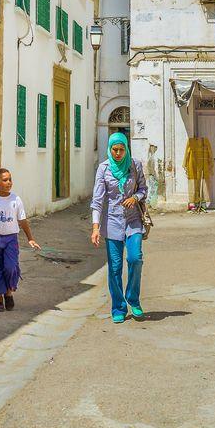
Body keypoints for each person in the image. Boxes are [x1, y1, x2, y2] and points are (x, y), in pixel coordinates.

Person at [91, 132, 148, 323]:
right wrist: (96, 228)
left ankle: (133, 298)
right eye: (114, 150)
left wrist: (135, 197)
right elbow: (97, 200)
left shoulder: (135, 165)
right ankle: (118, 307)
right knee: (115, 268)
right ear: (109, 149)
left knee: (135, 259)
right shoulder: (103, 168)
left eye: (121, 149)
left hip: (133, 221)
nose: (117, 153)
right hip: (112, 222)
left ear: (126, 149)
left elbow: (143, 189)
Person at [0, 167, 40, 312]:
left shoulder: (16, 200)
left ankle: (9, 292)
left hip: (11, 240)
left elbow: (22, 220)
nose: (9, 182)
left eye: (10, 179)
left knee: (10, 267)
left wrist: (30, 238)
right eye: (5, 180)